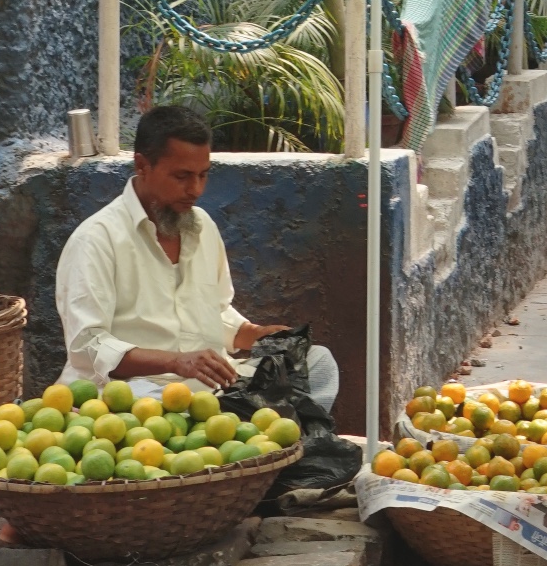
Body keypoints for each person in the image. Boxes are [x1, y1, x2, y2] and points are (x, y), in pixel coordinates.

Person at [55, 105, 339, 409]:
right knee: (190, 402)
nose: (196, 189)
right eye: (182, 176)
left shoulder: (202, 226)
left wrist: (251, 334)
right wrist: (176, 362)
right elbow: (87, 346)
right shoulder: (96, 240)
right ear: (142, 165)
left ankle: (279, 437)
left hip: (208, 387)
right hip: (131, 393)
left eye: (203, 175)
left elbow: (214, 311)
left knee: (318, 362)